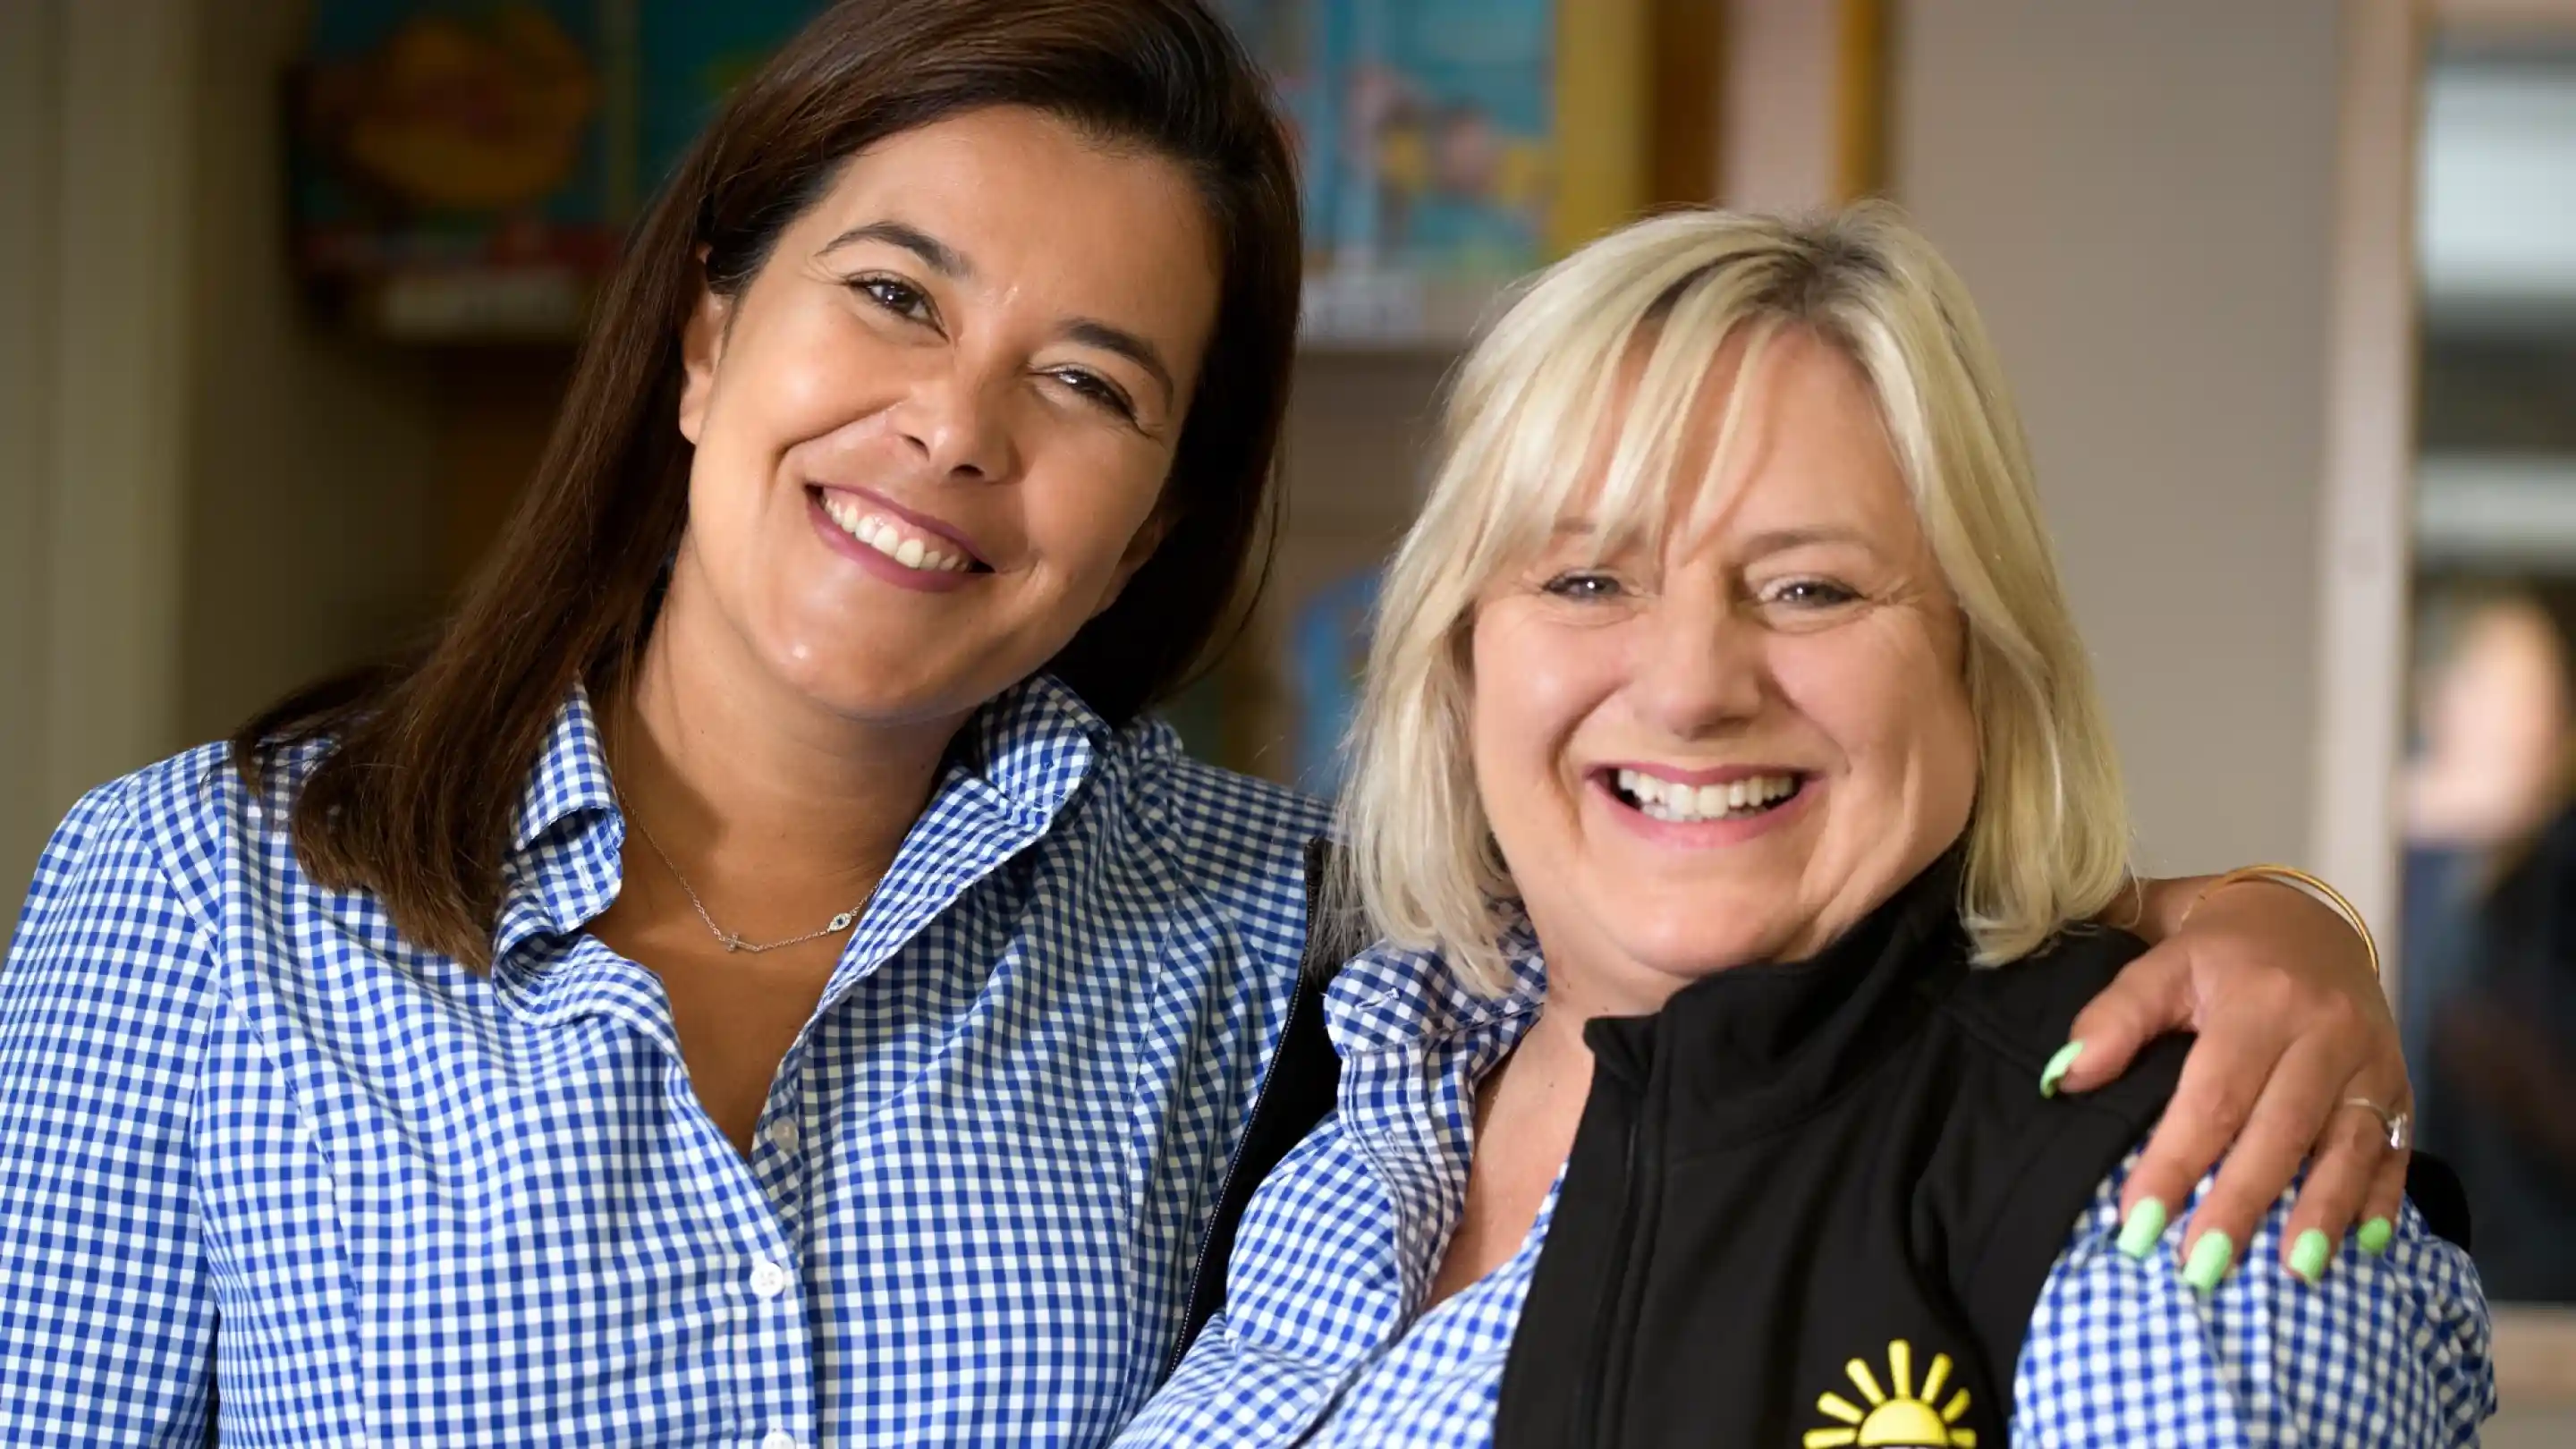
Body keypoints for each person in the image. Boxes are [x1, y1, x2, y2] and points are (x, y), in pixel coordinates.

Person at [0, 4, 2412, 1442]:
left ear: (1161, 512)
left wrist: (2247, 921)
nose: (957, 428)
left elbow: (1703, 909)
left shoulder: (1262, 923)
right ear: (710, 332)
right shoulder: (190, 897)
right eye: (890, 296)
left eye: (1090, 381)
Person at [1117, 206, 2492, 1448]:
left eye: (1811, 589)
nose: (1689, 686)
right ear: (1462, 652)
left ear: (1979, 661)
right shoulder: (1339, 1081)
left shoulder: (2186, 1179)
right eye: (1589, 579)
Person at [2403, 584, 2576, 1301]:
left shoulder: (2557, 872)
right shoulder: (2367, 863)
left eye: (2551, 695)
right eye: (2516, 693)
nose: (2542, 721)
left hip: (2540, 1279)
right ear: (2440, 701)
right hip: (2412, 1257)